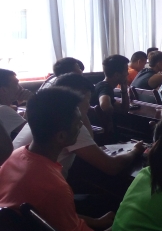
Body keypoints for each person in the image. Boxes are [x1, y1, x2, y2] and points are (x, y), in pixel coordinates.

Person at [0, 87, 113, 231]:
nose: (81, 125)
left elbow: (52, 214)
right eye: (78, 122)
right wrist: (121, 227)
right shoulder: (54, 187)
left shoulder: (16, 156)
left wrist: (97, 222)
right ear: (61, 136)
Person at [14, 73, 144, 178]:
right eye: (87, 100)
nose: (89, 105)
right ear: (76, 98)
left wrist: (81, 113)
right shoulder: (68, 126)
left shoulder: (42, 118)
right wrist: (135, 151)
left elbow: (89, 140)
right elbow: (112, 167)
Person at [91, 55, 131, 124]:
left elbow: (124, 109)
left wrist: (124, 89)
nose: (128, 73)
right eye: (126, 70)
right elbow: (105, 105)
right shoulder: (106, 88)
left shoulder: (100, 84)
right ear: (117, 75)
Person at [0, 69, 29, 141]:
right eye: (16, 84)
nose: (21, 88)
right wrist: (31, 101)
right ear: (3, 90)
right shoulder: (3, 110)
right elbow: (31, 132)